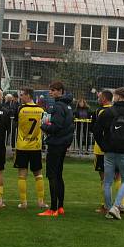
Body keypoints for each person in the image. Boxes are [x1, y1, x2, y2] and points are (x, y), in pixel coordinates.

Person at [92, 87, 124, 220]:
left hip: (109, 151)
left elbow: (96, 131)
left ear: (117, 96)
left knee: (107, 181)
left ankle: (109, 208)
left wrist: (103, 146)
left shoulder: (107, 112)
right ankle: (116, 206)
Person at [39, 81, 75, 216]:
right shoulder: (68, 105)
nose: (50, 92)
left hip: (56, 144)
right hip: (63, 143)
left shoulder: (58, 106)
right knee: (59, 175)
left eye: (53, 90)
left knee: (52, 175)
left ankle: (53, 208)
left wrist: (44, 126)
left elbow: (56, 126)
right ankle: (60, 206)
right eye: (51, 90)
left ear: (60, 91)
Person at [13, 88, 48, 210]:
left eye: (22, 95)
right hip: (36, 146)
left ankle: (23, 203)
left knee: (22, 174)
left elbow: (18, 124)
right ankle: (41, 202)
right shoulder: (40, 110)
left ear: (28, 95)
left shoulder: (21, 109)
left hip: (22, 145)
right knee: (38, 174)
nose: (21, 97)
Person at [91, 89, 113, 213]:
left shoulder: (99, 111)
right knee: (117, 178)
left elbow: (94, 129)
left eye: (99, 97)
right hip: (114, 148)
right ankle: (119, 204)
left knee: (104, 179)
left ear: (104, 99)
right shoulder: (116, 111)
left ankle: (106, 205)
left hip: (101, 149)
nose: (98, 99)